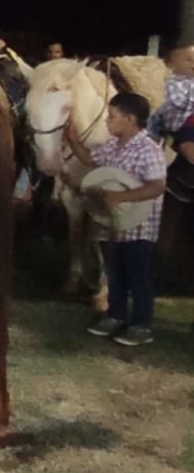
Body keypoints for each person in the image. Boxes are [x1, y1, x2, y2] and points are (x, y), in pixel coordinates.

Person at [65, 92, 166, 346]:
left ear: (130, 119)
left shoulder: (148, 150)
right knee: (115, 275)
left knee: (138, 277)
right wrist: (72, 139)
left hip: (138, 228)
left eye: (111, 117)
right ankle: (115, 315)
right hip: (111, 227)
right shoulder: (112, 146)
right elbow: (89, 158)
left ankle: (141, 325)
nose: (107, 121)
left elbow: (156, 186)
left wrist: (122, 197)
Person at [146, 41, 194, 141]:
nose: (193, 63)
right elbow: (178, 102)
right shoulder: (173, 82)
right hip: (180, 125)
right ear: (172, 65)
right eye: (189, 60)